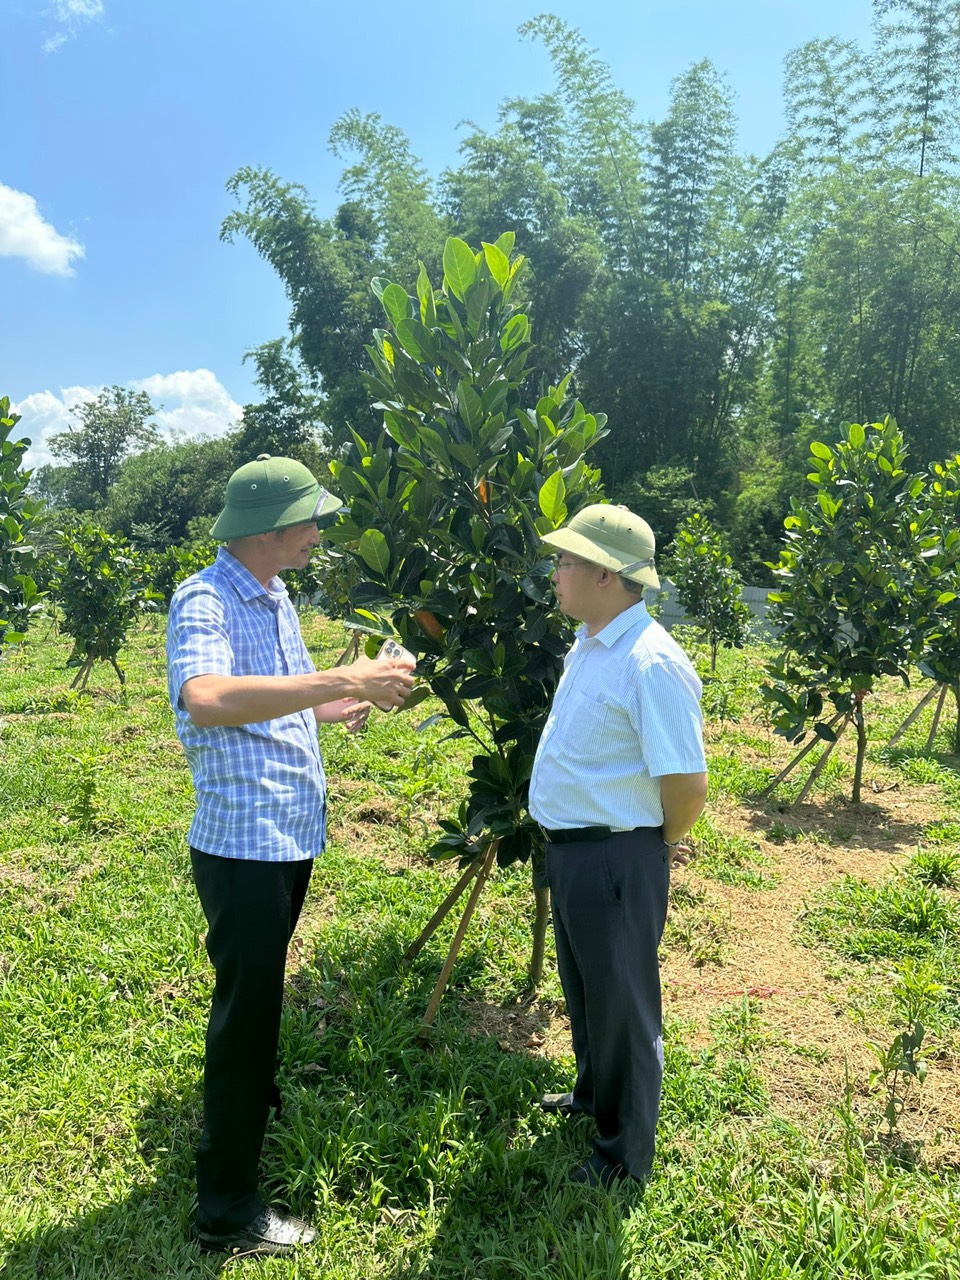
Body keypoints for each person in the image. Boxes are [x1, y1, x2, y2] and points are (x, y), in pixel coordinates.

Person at [166, 454, 415, 1256]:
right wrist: (338, 676)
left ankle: (242, 1126)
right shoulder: (204, 598)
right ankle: (226, 1210)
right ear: (268, 529)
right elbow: (206, 699)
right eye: (311, 520)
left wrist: (354, 698)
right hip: (244, 847)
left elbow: (285, 696)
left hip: (287, 835)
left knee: (259, 1005)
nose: (319, 533)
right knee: (246, 1019)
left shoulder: (276, 597)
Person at [527, 502, 708, 1189]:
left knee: (624, 1008)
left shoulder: (650, 661)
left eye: (567, 560)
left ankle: (621, 1158)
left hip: (616, 857)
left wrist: (650, 848)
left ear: (606, 574)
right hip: (576, 853)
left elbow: (687, 785)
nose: (557, 572)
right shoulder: (594, 642)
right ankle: (592, 1100)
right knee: (586, 991)